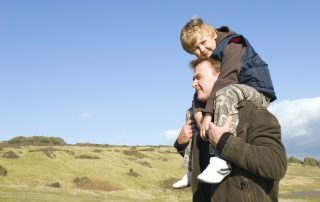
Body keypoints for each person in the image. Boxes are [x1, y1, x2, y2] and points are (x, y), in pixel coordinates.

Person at [173, 17, 277, 187]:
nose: (201, 50)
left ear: (212, 33)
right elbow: (201, 93)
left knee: (225, 91)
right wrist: (198, 113)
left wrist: (208, 115)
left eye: (203, 43)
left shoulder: (234, 43)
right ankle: (191, 170)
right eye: (195, 49)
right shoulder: (212, 55)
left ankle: (220, 159)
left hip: (257, 91)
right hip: (234, 90)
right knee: (190, 111)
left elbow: (226, 79)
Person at [174, 57, 287, 201]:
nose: (193, 84)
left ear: (220, 77)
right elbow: (202, 160)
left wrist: (224, 142)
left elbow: (275, 164)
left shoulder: (253, 112)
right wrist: (181, 144)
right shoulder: (200, 120)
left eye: (199, 77)